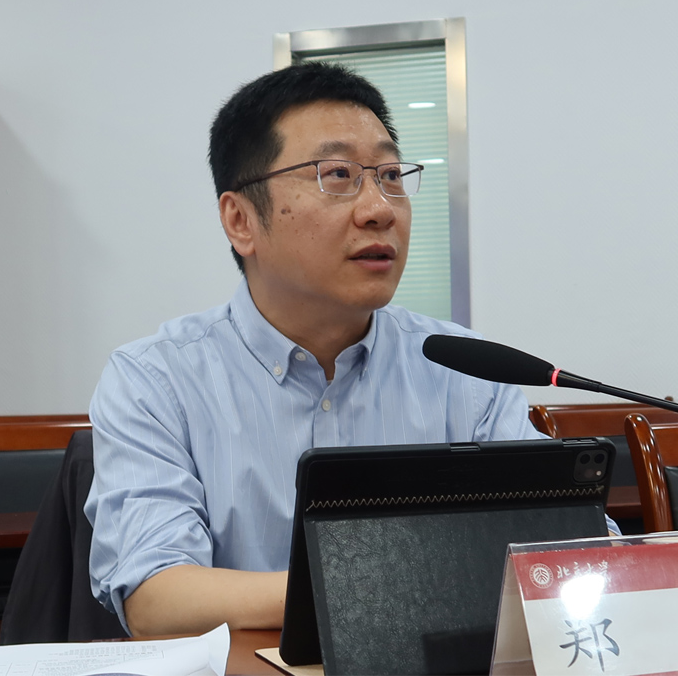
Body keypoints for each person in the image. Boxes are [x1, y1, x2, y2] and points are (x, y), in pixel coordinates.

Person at [85, 62, 616, 637]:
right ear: (241, 221)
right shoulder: (156, 379)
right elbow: (157, 597)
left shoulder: (466, 370)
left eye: (390, 175)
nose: (379, 208)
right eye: (337, 175)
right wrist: (390, 586)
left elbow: (576, 545)